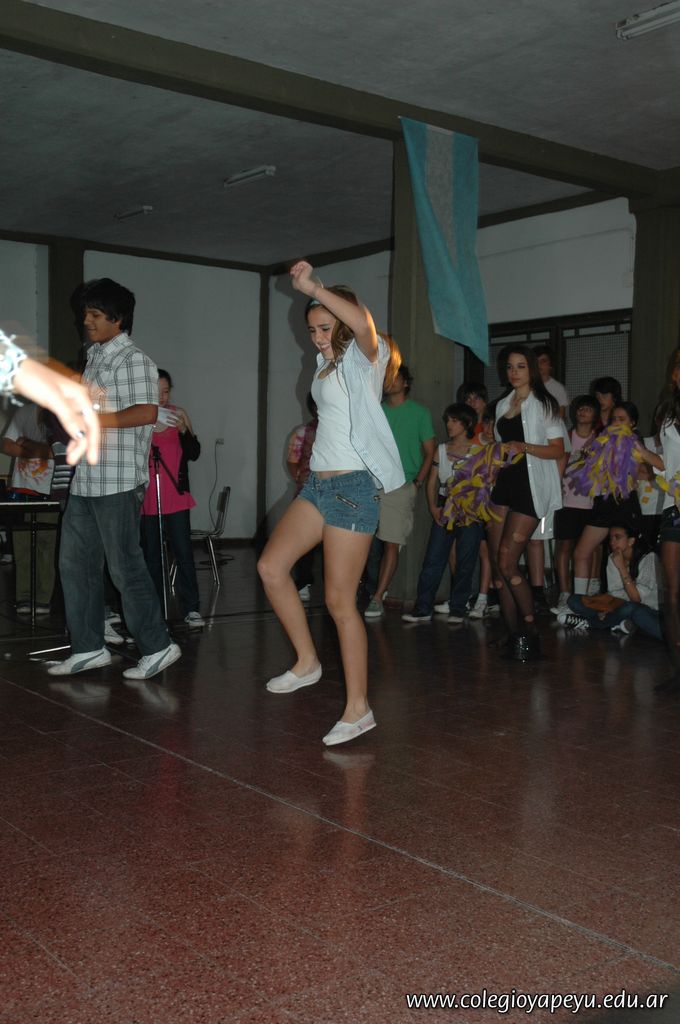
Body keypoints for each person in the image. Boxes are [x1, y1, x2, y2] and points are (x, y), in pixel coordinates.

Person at [257, 261, 403, 746]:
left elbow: (363, 324)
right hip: (318, 487)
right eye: (312, 330)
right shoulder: (323, 367)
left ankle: (359, 709)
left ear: (341, 323)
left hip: (353, 489)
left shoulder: (365, 360)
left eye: (325, 328)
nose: (318, 337)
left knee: (340, 602)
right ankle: (307, 662)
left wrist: (314, 288)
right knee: (271, 568)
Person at [48, 278, 180, 680]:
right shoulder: (94, 357)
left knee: (124, 567)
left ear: (117, 318)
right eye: (84, 313)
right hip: (87, 479)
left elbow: (145, 412)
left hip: (118, 481)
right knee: (75, 566)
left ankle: (158, 646)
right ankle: (89, 648)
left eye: (94, 314)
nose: (86, 320)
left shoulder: (134, 360)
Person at [486, 345, 565, 660]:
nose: (514, 372)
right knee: (498, 567)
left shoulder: (545, 404)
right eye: (509, 367)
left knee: (508, 561)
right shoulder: (502, 404)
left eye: (520, 366)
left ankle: (531, 629)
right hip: (503, 485)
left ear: (531, 368)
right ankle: (511, 632)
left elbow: (558, 449)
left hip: (530, 488)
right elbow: (499, 446)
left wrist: (524, 447)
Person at [364, 364, 436, 618]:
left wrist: (417, 483)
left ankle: (377, 597)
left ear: (406, 383)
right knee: (364, 543)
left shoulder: (419, 413)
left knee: (391, 544)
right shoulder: (376, 410)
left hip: (400, 485)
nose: (389, 381)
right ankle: (366, 590)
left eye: (395, 377)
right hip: (371, 483)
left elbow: (430, 451)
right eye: (386, 377)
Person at [571, 401, 661, 602]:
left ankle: (631, 600)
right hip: (604, 502)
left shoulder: (635, 442)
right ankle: (579, 602)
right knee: (581, 552)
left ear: (633, 423)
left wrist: (634, 468)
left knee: (628, 553)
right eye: (614, 419)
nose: (616, 423)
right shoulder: (603, 440)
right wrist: (591, 459)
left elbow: (657, 468)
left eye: (622, 419)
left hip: (625, 503)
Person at [401, 403, 483, 623]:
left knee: (466, 559)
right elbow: (432, 481)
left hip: (469, 508)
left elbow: (484, 485)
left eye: (454, 421)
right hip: (445, 505)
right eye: (448, 420)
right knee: (433, 559)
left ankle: (458, 608)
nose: (449, 425)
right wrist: (432, 507)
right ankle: (423, 608)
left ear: (467, 423)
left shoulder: (477, 451)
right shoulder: (441, 449)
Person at [140, 369, 204, 628]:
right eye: (156, 392)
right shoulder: (138, 417)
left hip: (176, 495)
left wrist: (184, 430)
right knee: (152, 556)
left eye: (165, 392)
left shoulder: (179, 414)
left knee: (183, 552)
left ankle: (192, 608)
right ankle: (155, 608)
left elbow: (194, 453)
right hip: (148, 498)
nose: (162, 397)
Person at [0, 328, 100, 467]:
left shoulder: (73, 415)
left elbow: (60, 452)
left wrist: (32, 447)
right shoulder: (30, 412)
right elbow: (7, 445)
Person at [558, 522, 662, 639]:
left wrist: (621, 567)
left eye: (617, 537)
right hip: (621, 606)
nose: (612, 542)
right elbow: (615, 592)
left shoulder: (649, 558)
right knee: (574, 600)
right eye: (611, 538)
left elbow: (636, 599)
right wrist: (609, 608)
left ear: (631, 541)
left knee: (632, 609)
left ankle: (591, 623)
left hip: (649, 610)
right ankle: (620, 622)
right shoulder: (613, 557)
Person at [2, 402, 57, 614]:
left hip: (50, 490)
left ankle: (43, 598)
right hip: (21, 489)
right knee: (22, 547)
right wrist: (39, 450)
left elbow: (56, 452)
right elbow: (6, 445)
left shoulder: (60, 412)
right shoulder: (24, 412)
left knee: (46, 546)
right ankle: (23, 596)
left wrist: (26, 445)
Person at [551, 395, 599, 617]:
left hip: (592, 502)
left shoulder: (600, 439)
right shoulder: (565, 437)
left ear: (595, 414)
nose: (583, 411)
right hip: (567, 500)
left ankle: (586, 593)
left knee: (588, 549)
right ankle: (564, 592)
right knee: (564, 547)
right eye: (580, 408)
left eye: (588, 408)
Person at [655, 347, 680, 694]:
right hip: (673, 508)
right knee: (672, 594)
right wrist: (638, 452)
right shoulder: (668, 414)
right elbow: (666, 464)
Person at [285, 393, 318, 600]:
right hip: (308, 493)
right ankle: (303, 581)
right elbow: (292, 460)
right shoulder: (303, 432)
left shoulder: (341, 430)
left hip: (335, 495)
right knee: (304, 541)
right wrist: (299, 476)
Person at [534, 344, 568, 418]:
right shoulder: (526, 385)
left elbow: (561, 416)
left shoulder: (558, 388)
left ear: (551, 365)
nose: (539, 364)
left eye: (543, 361)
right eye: (536, 361)